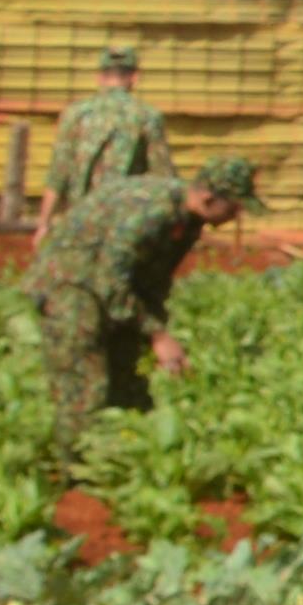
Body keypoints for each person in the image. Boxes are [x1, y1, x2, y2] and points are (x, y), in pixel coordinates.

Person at [33, 154, 258, 463]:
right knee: (86, 384)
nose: (238, 215)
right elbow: (109, 279)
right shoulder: (152, 212)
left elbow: (152, 281)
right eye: (234, 207)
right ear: (208, 198)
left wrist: (154, 334)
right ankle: (76, 472)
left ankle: (124, 458)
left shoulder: (188, 219)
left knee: (129, 377)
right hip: (72, 283)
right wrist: (157, 335)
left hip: (108, 285)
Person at [40, 44, 168, 221]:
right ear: (135, 78)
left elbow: (58, 174)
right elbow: (163, 177)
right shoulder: (147, 116)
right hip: (124, 220)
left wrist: (44, 223)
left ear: (99, 77)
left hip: (80, 218)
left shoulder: (75, 114)